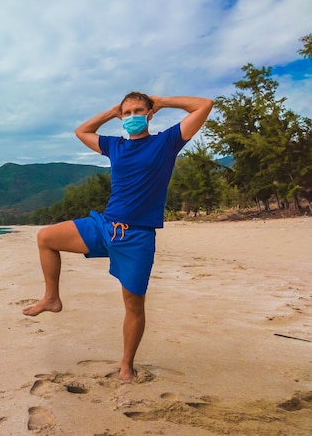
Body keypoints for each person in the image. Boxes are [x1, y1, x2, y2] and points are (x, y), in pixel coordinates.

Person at [22, 92, 214, 382]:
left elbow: (204, 105)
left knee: (133, 305)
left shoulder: (166, 142)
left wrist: (162, 101)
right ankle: (51, 298)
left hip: (138, 237)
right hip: (105, 226)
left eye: (139, 110)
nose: (132, 116)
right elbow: (82, 131)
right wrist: (111, 112)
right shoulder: (115, 146)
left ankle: (127, 365)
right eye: (127, 112)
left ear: (150, 114)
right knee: (46, 237)